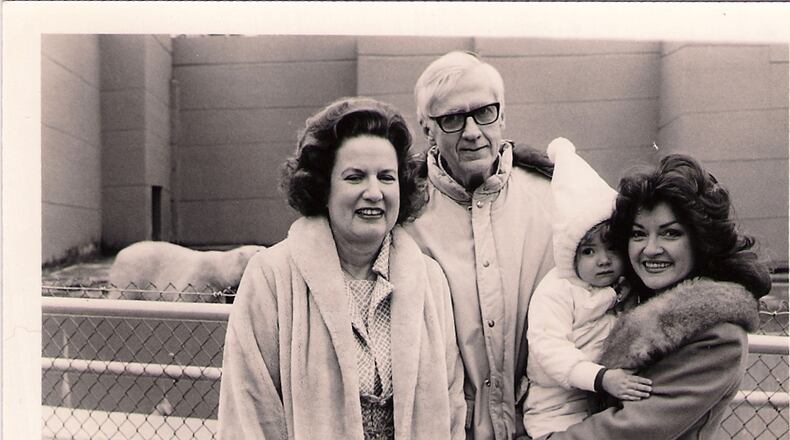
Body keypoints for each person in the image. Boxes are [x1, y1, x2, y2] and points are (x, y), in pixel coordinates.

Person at [217, 97, 466, 439]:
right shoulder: (271, 276)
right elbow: (249, 412)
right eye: (355, 177)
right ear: (324, 186)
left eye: (386, 177)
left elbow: (451, 407)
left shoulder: (429, 279)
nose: (374, 192)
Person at [549, 154, 771, 440]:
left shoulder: (718, 336)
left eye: (670, 234)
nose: (651, 249)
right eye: (638, 234)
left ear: (700, 240)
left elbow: (630, 430)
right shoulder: (627, 302)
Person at [405, 50, 556, 439]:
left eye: (484, 112)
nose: (472, 132)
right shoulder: (403, 215)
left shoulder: (554, 198)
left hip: (542, 428)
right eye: (453, 119)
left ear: (502, 115)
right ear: (428, 129)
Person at [522, 138, 652, 440]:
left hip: (599, 410)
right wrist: (601, 378)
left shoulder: (626, 287)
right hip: (555, 413)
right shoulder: (557, 290)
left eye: (612, 248)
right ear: (571, 255)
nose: (603, 260)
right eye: (589, 251)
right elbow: (548, 347)